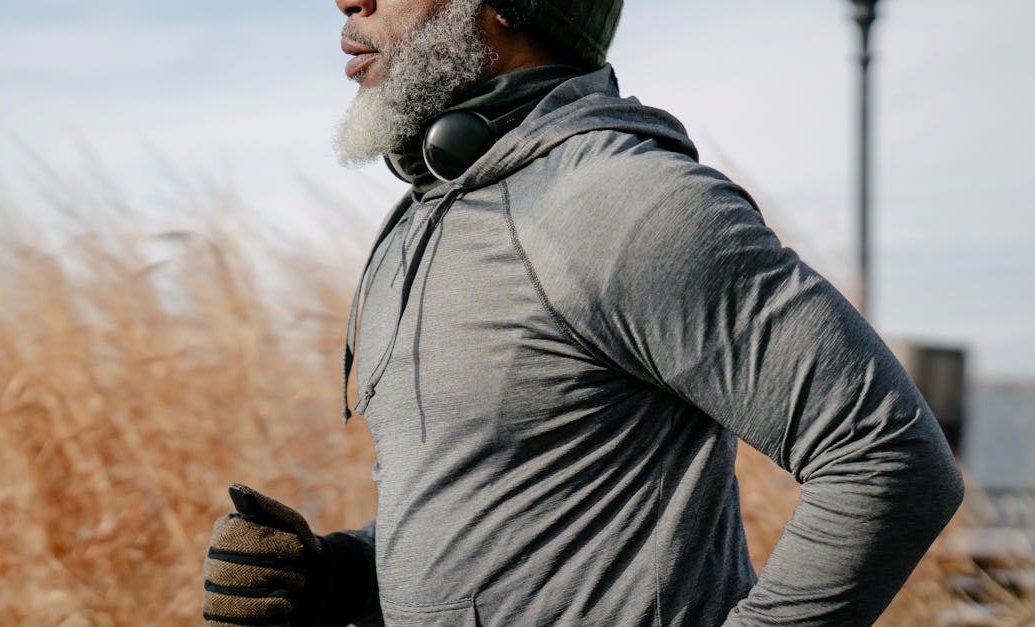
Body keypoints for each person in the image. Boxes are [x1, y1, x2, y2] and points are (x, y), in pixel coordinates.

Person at [202, 1, 966, 625]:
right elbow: (506, 523)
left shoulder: (628, 203)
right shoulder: (431, 216)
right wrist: (335, 575)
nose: (347, 1)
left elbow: (890, 458)